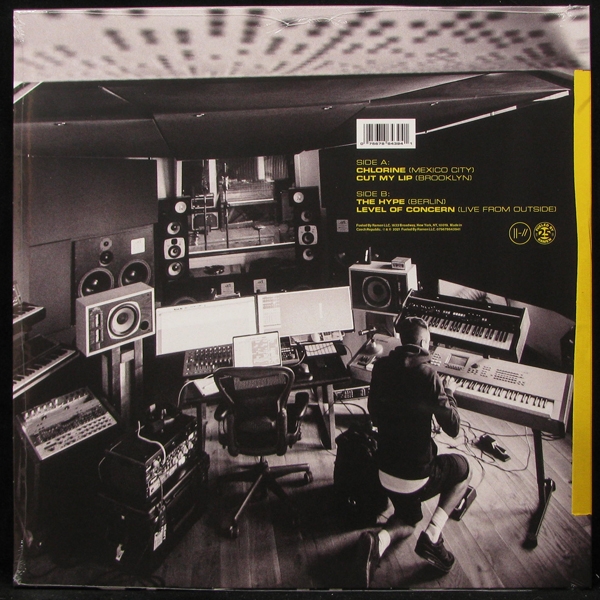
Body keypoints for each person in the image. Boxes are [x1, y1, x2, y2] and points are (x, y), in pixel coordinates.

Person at [355, 316, 471, 586]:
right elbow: (453, 427)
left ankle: (377, 541)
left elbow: (374, 413)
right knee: (464, 469)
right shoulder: (428, 374)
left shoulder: (381, 367)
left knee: (408, 520)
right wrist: (449, 393)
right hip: (416, 476)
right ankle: (433, 535)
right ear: (423, 343)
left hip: (384, 471)